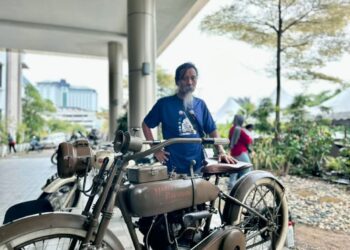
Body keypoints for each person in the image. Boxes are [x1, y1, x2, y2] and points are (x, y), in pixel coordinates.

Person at [142, 62, 235, 175]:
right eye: (185, 78)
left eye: (193, 78)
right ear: (177, 81)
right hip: (172, 166)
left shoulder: (200, 105)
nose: (190, 82)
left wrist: (221, 151)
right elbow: (146, 124)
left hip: (198, 165)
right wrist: (155, 150)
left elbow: (212, 130)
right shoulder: (164, 104)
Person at [227, 115, 253, 190]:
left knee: (234, 170)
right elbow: (248, 140)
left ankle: (231, 187)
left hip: (233, 152)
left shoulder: (232, 129)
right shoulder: (240, 129)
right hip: (241, 152)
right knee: (247, 167)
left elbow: (229, 139)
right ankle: (242, 187)